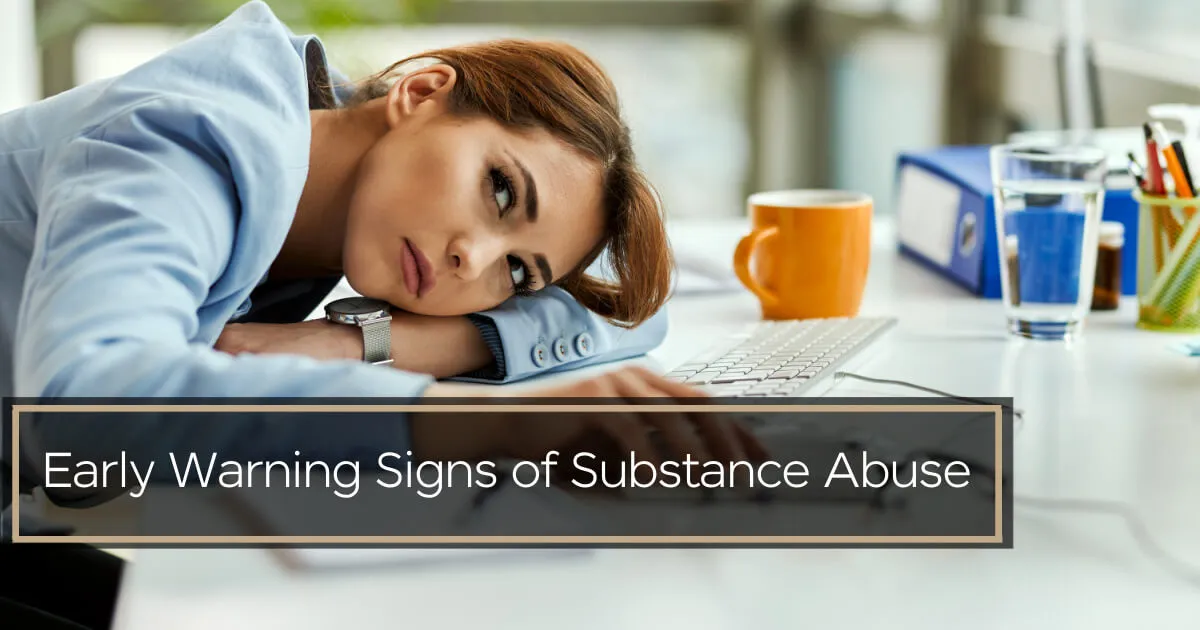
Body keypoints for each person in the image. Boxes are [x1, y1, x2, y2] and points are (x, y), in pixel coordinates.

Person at [0, 2, 765, 628]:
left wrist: (391, 341)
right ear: (424, 90)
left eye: (517, 271)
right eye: (500, 190)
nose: (476, 259)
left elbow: (633, 307)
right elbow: (77, 407)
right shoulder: (179, 144)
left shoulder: (331, 151)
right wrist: (486, 421)